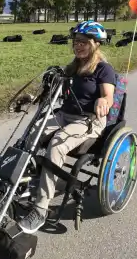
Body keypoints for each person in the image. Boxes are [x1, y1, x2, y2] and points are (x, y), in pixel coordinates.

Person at [18, 20, 116, 234]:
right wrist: (33, 97)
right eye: (76, 42)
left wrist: (104, 101)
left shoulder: (103, 69)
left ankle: (40, 209)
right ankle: (21, 181)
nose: (78, 45)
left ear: (95, 44)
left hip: (89, 120)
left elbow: (108, 95)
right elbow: (53, 92)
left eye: (83, 42)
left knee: (57, 145)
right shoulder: (73, 67)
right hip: (64, 115)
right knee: (31, 135)